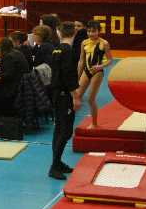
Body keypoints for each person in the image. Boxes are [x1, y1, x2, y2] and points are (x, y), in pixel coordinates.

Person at [46, 24, 80, 180]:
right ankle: (54, 166)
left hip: (56, 93)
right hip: (64, 95)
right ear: (74, 34)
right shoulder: (68, 51)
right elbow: (68, 75)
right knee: (65, 131)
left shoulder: (57, 49)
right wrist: (75, 96)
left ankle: (57, 162)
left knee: (59, 129)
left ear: (58, 33)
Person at [77, 19, 112, 129]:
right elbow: (81, 60)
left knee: (90, 99)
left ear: (99, 31)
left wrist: (100, 66)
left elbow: (110, 60)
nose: (91, 34)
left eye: (93, 31)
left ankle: (94, 124)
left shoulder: (104, 43)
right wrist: (78, 75)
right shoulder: (84, 43)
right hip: (86, 71)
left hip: (97, 72)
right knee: (77, 96)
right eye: (89, 31)